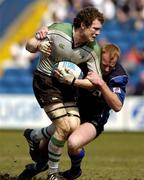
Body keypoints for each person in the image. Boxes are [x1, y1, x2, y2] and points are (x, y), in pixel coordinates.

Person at [18, 44, 128, 180]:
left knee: (73, 143)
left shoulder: (118, 76)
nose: (106, 69)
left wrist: (101, 84)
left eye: (111, 66)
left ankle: (74, 171)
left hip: (94, 119)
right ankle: (39, 164)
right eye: (104, 64)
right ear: (98, 58)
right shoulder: (87, 63)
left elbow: (117, 106)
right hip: (73, 110)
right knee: (43, 150)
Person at [21, 7, 104, 180]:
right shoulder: (59, 31)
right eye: (95, 28)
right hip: (45, 80)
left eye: (99, 29)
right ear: (83, 25)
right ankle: (53, 173)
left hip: (67, 85)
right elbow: (29, 46)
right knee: (64, 126)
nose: (98, 33)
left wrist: (73, 81)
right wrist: (38, 44)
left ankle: (34, 136)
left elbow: (94, 83)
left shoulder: (93, 49)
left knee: (73, 126)